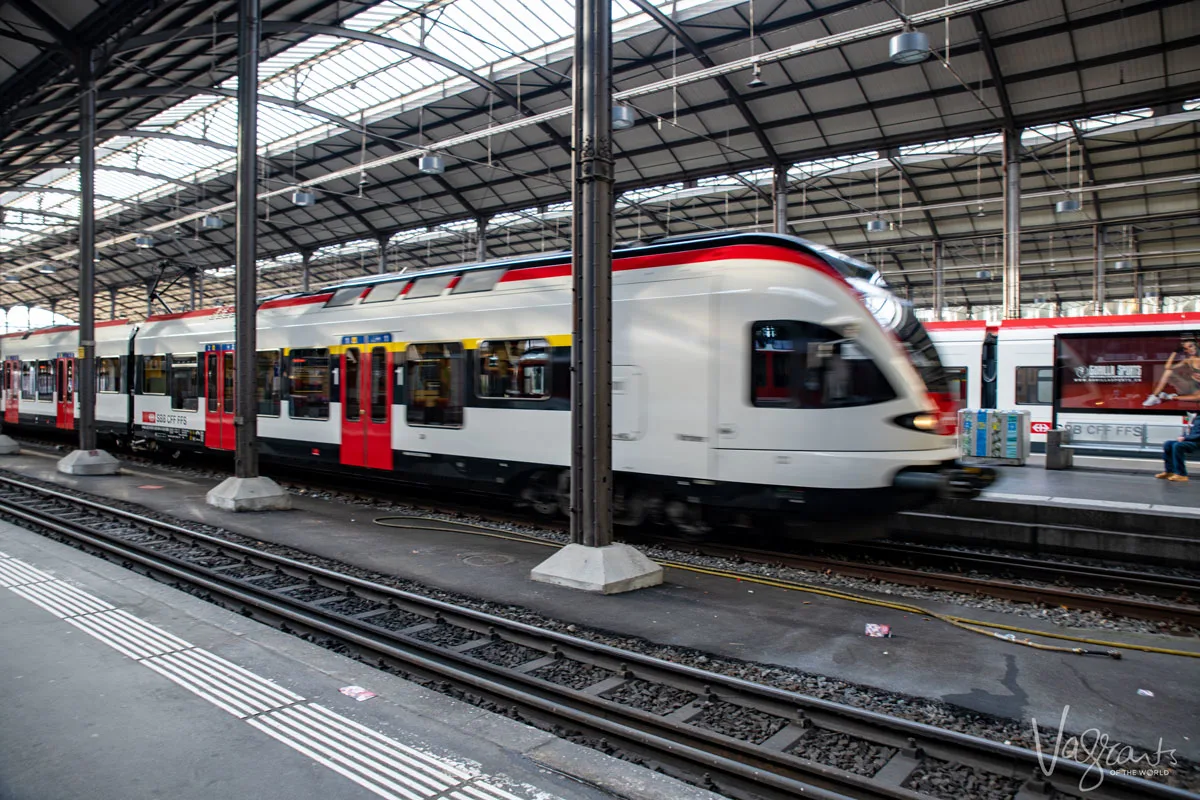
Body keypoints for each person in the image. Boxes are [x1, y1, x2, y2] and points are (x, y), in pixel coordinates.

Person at [1144, 340, 1200, 405]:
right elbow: (1168, 367)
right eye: (1186, 348)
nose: (1189, 350)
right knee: (1168, 372)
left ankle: (1168, 397)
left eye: (1191, 346)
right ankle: (1155, 396)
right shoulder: (1188, 360)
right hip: (1192, 386)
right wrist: (1174, 353)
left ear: (1196, 345)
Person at [1157, 412, 1200, 482]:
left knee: (1178, 446)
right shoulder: (1196, 417)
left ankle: (1181, 474)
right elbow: (1190, 430)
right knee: (1168, 444)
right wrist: (1183, 436)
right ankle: (1170, 471)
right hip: (1192, 440)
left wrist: (1186, 438)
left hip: (1197, 442)